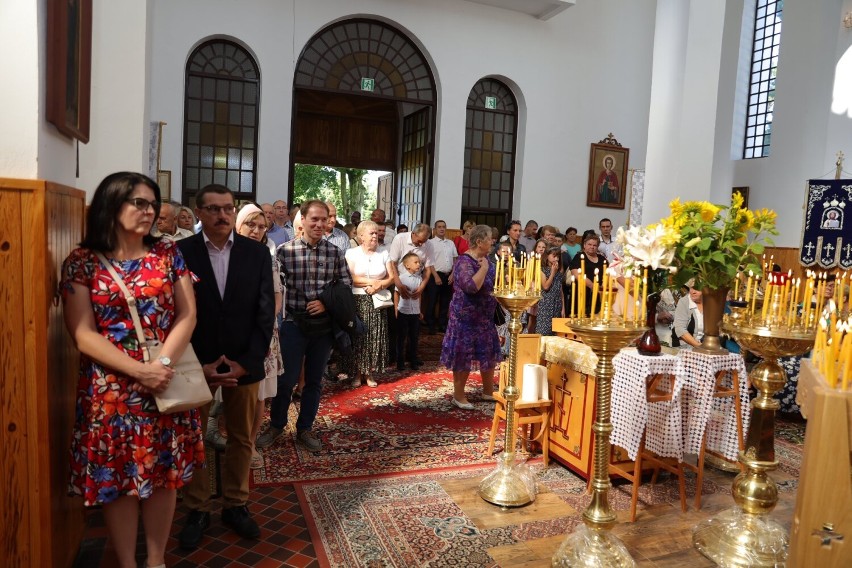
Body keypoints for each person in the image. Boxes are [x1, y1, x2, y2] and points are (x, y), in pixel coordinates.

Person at [60, 171, 203, 568]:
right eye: (138, 203)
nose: (149, 211)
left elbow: (188, 314)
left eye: (152, 203)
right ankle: (127, 562)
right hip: (110, 390)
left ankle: (155, 560)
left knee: (163, 476)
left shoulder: (168, 254)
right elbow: (83, 334)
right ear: (110, 205)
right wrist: (139, 372)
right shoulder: (82, 261)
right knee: (117, 480)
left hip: (166, 379)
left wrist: (162, 365)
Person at [177, 184, 274, 548]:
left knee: (242, 437)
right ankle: (198, 507)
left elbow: (266, 313)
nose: (221, 215)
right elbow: (173, 313)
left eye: (227, 209)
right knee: (194, 438)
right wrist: (194, 363)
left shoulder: (256, 253)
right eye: (213, 209)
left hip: (243, 361)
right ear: (199, 213)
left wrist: (247, 362)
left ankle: (236, 504)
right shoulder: (180, 252)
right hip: (195, 363)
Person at [257, 200, 353, 451]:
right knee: (285, 381)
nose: (320, 224)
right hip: (293, 325)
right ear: (302, 220)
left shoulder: (334, 252)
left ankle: (305, 428)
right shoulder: (285, 251)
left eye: (324, 219)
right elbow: (275, 288)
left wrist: (324, 302)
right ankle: (276, 425)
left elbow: (345, 286)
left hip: (323, 328)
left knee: (313, 381)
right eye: (315, 219)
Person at [234, 204, 283, 470]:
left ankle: (250, 443)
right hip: (231, 332)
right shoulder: (224, 254)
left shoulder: (268, 257)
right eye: (250, 224)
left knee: (258, 393)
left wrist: (263, 323)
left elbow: (277, 296)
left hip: (261, 333)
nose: (256, 230)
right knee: (231, 391)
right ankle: (232, 439)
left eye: (261, 226)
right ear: (238, 225)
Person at [440, 225, 501, 410]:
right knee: (463, 355)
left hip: (485, 317)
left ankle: (488, 391)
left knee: (488, 352)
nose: (492, 241)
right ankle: (458, 396)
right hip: (465, 318)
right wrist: (483, 269)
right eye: (490, 238)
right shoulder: (464, 262)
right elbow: (471, 287)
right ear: (479, 241)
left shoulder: (487, 259)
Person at [344, 220, 394, 387]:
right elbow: (351, 278)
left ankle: (369, 372)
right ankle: (357, 373)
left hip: (378, 301)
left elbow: (392, 277)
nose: (375, 235)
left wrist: (380, 285)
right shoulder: (351, 253)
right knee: (359, 337)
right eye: (371, 233)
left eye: (376, 233)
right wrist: (374, 282)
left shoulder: (384, 253)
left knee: (374, 337)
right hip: (357, 300)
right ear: (361, 236)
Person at [425, 219, 457, 333]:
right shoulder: (430, 243)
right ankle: (430, 325)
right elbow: (429, 261)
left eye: (443, 226)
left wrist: (453, 274)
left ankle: (442, 324)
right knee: (432, 301)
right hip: (435, 275)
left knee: (445, 302)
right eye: (439, 227)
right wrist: (435, 276)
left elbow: (455, 259)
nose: (442, 229)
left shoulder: (451, 243)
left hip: (448, 276)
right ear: (435, 229)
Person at [395, 252, 424, 371]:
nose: (419, 264)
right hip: (403, 311)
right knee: (401, 337)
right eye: (416, 262)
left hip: (415, 312)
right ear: (407, 265)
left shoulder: (419, 278)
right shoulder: (401, 278)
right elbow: (396, 293)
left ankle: (413, 361)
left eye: (419, 262)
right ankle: (400, 362)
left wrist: (420, 309)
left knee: (414, 337)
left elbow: (419, 295)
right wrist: (396, 308)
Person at [570, 233, 606, 316]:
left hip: (598, 294)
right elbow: (576, 273)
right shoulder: (579, 257)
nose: (592, 247)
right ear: (584, 245)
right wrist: (592, 286)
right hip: (582, 293)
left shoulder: (602, 259)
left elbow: (607, 274)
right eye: (589, 244)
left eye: (595, 245)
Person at [536, 246, 564, 335]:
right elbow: (545, 286)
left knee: (555, 332)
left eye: (558, 256)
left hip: (557, 304)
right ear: (547, 256)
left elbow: (560, 290)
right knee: (543, 332)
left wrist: (563, 308)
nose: (556, 258)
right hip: (546, 304)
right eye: (554, 256)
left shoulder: (559, 271)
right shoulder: (542, 270)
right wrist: (552, 273)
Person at [672, 281, 705, 348]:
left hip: (707, 346)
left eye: (697, 289)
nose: (693, 292)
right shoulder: (684, 302)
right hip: (684, 347)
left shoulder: (712, 304)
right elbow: (680, 329)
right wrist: (698, 346)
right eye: (691, 288)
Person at [526, 239, 548, 332]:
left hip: (544, 289)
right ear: (535, 248)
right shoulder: (531, 260)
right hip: (534, 288)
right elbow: (528, 275)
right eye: (539, 247)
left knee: (540, 317)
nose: (541, 249)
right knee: (532, 317)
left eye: (543, 247)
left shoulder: (547, 261)